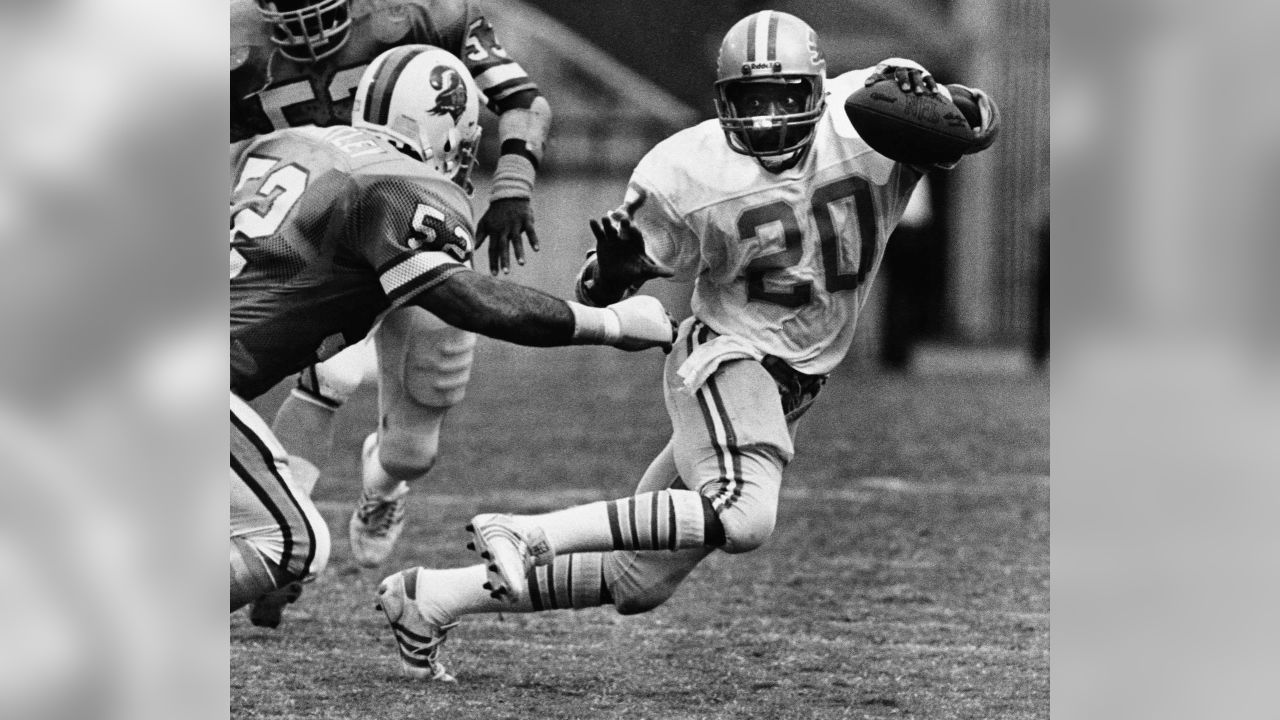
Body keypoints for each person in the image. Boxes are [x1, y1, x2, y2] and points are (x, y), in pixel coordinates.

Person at [372, 10, 1000, 682]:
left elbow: (975, 123)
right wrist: (617, 267)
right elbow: (600, 287)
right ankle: (528, 532)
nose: (765, 118)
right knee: (745, 516)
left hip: (793, 379)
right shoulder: (688, 168)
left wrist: (950, 102)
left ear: (817, 91)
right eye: (749, 101)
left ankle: (431, 598)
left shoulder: (868, 117)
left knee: (637, 580)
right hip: (728, 358)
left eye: (784, 98)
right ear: (722, 99)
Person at [230, 46, 675, 626]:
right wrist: (612, 324)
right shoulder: (405, 183)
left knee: (409, 442)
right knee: (292, 543)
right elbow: (471, 302)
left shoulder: (275, 145)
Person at [232, 0, 554, 582]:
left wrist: (512, 186)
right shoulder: (233, 45)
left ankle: (382, 486)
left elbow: (522, 99)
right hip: (314, 244)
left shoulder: (419, 14)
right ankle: (283, 543)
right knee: (332, 371)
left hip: (415, 223)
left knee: (413, 450)